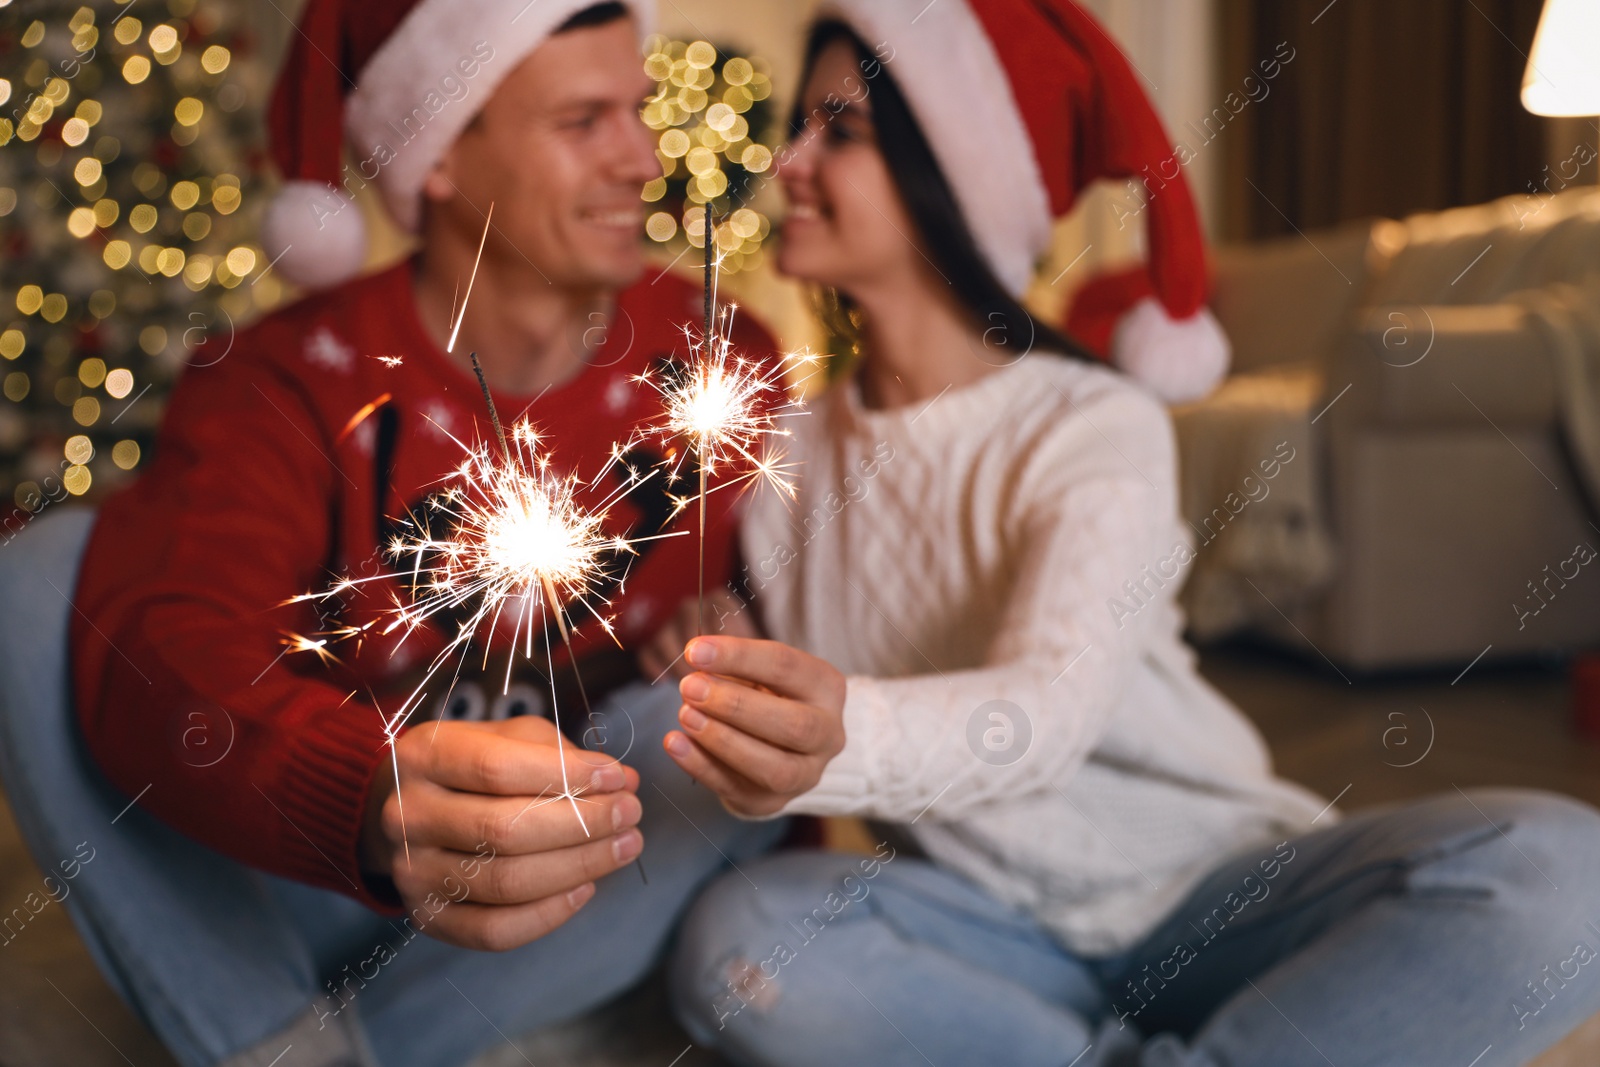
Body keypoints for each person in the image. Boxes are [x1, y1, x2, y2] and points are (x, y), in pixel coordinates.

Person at [652, 3, 1600, 1065]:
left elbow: (1045, 711)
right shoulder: (784, 458)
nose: (786, 163)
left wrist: (838, 735)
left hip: (1212, 893)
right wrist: (726, 645)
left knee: (1559, 875)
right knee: (745, 941)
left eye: (840, 130)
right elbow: (812, 678)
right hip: (983, 924)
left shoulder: (1092, 423)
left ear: (950, 175)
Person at [65, 2, 785, 1065]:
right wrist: (362, 792)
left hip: (589, 861)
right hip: (332, 872)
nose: (644, 157)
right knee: (41, 584)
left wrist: (745, 647)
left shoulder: (721, 356)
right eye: (584, 121)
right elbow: (167, 638)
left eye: (637, 110)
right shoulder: (288, 377)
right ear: (440, 156)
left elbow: (826, 655)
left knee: (716, 737)